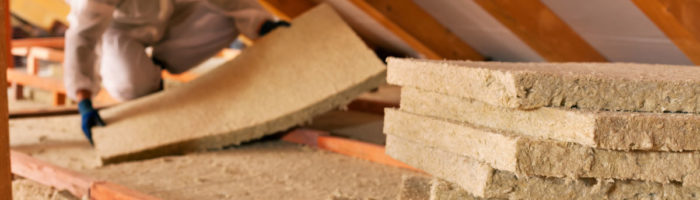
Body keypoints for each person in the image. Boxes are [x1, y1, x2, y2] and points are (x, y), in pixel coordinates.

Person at [64, 0, 290, 144]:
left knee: (226, 20)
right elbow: (83, 37)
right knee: (133, 85)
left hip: (168, 16)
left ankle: (157, 64)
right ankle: (144, 78)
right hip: (117, 30)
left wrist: (262, 23)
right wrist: (83, 99)